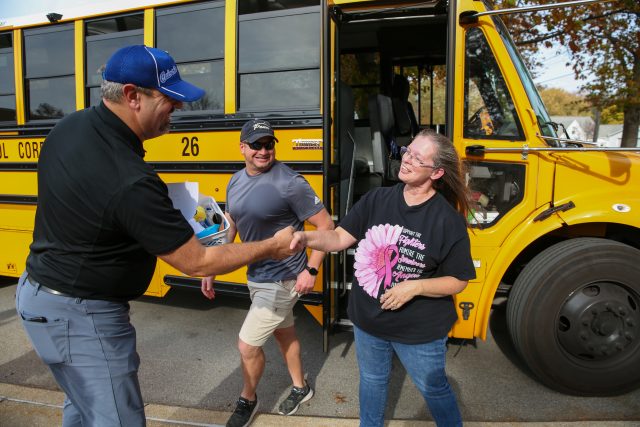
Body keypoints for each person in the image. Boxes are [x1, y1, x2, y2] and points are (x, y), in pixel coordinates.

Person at [15, 45, 297, 427]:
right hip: (83, 318)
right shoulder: (130, 179)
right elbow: (197, 262)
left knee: (83, 410)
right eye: (169, 99)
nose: (178, 109)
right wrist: (273, 245)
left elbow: (90, 202)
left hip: (39, 294)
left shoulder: (71, 126)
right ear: (133, 96)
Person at [290, 129, 475, 427]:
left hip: (419, 330)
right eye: (407, 151)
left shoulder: (447, 220)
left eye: (417, 157)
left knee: (434, 389)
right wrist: (305, 237)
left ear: (437, 172)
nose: (407, 159)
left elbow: (459, 280)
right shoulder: (377, 199)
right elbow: (338, 238)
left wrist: (415, 287)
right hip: (369, 320)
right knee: (373, 382)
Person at [201, 118, 334, 427]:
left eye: (269, 144)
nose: (263, 150)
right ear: (242, 148)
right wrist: (213, 265)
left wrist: (311, 269)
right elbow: (231, 223)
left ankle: (248, 399)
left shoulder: (290, 182)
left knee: (247, 345)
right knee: (284, 332)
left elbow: (326, 226)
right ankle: (301, 387)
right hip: (257, 276)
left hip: (284, 277)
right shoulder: (235, 181)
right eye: (256, 145)